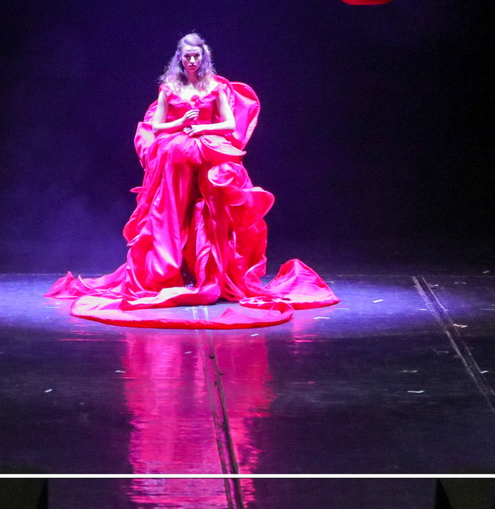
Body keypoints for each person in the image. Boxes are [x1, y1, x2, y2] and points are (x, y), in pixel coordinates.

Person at [47, 34, 337, 328]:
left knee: (209, 213)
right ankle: (169, 272)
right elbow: (157, 127)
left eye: (197, 56)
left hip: (207, 152)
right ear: (180, 58)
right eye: (187, 56)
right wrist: (182, 123)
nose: (192, 61)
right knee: (172, 213)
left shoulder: (214, 87)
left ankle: (210, 275)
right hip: (175, 155)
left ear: (203, 57)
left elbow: (230, 124)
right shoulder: (170, 88)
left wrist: (202, 128)